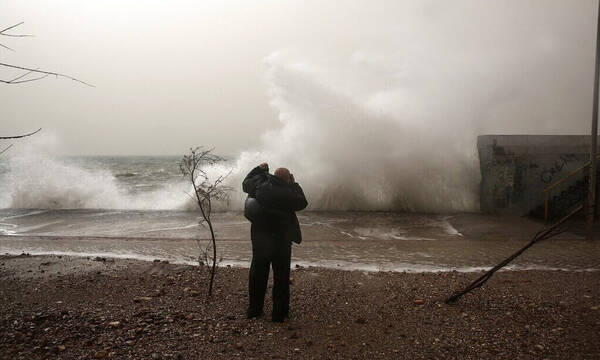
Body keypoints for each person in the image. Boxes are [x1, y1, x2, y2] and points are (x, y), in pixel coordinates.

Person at [242, 162, 308, 322]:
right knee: (281, 277)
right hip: (281, 241)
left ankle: (254, 310)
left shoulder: (259, 185)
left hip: (260, 239)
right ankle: (279, 314)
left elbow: (245, 183)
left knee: (258, 274)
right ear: (287, 179)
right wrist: (295, 184)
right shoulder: (288, 192)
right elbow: (302, 202)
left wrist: (259, 169)